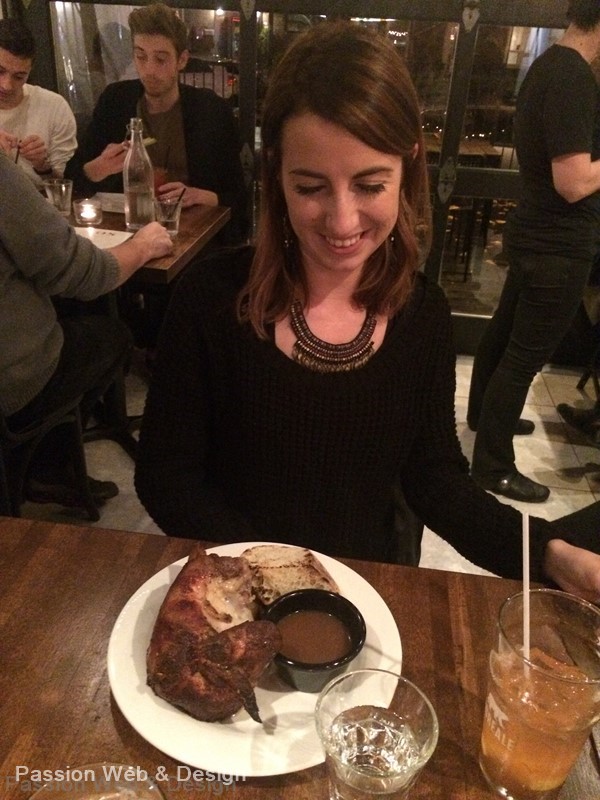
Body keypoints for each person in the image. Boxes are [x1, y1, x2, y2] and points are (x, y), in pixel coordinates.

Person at [135, 21, 600, 603]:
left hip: (364, 599)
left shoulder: (423, 317)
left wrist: (549, 554)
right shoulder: (210, 299)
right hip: (235, 599)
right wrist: (274, 582)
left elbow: (435, 480)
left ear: (407, 168)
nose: (342, 221)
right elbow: (165, 478)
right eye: (310, 187)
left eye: (370, 185)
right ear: (276, 174)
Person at [467, 0, 600, 503]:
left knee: (504, 337)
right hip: (558, 245)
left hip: (535, 233)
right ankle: (493, 467)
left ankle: (483, 417)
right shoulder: (573, 77)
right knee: (524, 358)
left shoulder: (547, 66)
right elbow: (573, 181)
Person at [0, 148, 172, 510]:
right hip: (10, 384)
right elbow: (81, 273)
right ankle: (46, 464)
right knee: (113, 337)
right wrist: (141, 247)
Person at [65, 2, 247, 242]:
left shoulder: (210, 110)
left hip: (193, 238)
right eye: (141, 56)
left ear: (182, 60)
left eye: (160, 59)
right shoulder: (115, 101)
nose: (149, 70)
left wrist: (200, 196)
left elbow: (239, 200)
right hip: (126, 235)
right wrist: (98, 168)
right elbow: (72, 181)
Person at [0, 18, 77, 187]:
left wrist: (42, 165)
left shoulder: (54, 107)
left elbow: (64, 186)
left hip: (38, 201)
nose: (6, 85)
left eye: (19, 76)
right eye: (0, 71)